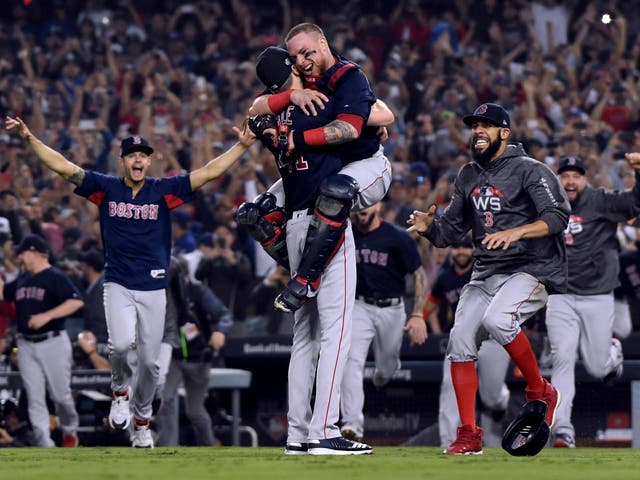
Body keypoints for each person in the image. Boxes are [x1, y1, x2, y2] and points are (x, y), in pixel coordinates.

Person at [5, 115, 255, 448]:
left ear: (149, 161)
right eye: (132, 154)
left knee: (151, 365)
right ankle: (120, 392)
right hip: (119, 282)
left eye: (143, 155)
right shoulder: (107, 188)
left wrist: (240, 146)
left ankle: (141, 422)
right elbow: (64, 168)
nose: (138, 159)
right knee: (120, 345)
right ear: (123, 160)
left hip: (153, 287)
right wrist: (29, 138)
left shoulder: (162, 191)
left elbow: (208, 172)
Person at [407, 103, 570, 455]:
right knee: (460, 342)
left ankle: (540, 389)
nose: (478, 130)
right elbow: (451, 231)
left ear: (505, 133)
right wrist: (429, 228)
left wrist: (518, 232)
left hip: (531, 267)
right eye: (475, 125)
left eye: (487, 125)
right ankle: (469, 434)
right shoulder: (468, 174)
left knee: (498, 320)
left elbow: (557, 217)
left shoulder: (530, 169)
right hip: (486, 271)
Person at [247, 47, 372, 455]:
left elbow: (256, 111)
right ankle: (325, 431)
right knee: (337, 334)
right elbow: (372, 118)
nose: (303, 64)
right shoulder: (315, 106)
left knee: (304, 338)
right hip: (326, 223)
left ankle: (297, 435)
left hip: (296, 224)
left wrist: (275, 103)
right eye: (294, 60)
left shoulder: (272, 118)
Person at [248, 27, 394, 313]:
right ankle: (304, 265)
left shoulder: (343, 76)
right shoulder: (295, 84)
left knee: (334, 192)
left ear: (322, 45)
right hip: (319, 165)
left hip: (360, 162)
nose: (301, 61)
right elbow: (256, 108)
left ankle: (307, 277)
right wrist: (290, 98)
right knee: (255, 214)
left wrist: (371, 121)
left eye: (306, 53)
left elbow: (383, 113)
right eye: (295, 57)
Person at [546, 154, 640, 448]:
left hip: (598, 296)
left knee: (598, 368)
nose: (570, 181)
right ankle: (563, 429)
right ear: (558, 178)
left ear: (584, 179)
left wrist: (638, 172)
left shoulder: (601, 200)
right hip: (561, 296)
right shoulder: (547, 203)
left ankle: (613, 351)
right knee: (561, 358)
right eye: (565, 175)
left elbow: (634, 203)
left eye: (575, 175)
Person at [339, 202, 426, 442]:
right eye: (357, 206)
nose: (361, 209)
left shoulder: (396, 236)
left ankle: (384, 371)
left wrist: (417, 314)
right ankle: (352, 425)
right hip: (359, 305)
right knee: (350, 360)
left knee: (386, 367)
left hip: (392, 308)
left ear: (377, 205)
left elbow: (419, 274)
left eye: (367, 204)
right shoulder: (345, 234)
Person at [0, 234, 84, 448]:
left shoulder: (54, 277)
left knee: (61, 397)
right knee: (35, 397)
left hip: (53, 341)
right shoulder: (22, 278)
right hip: (27, 344)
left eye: (23, 252)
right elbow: (4, 294)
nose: (19, 256)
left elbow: (75, 303)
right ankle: (45, 444)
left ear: (34, 253)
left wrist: (47, 316)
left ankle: (69, 431)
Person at [156, 258, 233, 446]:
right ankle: (167, 449)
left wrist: (220, 331)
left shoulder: (198, 291)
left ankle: (209, 447)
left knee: (195, 411)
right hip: (172, 356)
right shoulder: (160, 291)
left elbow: (224, 315)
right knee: (164, 401)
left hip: (199, 357)